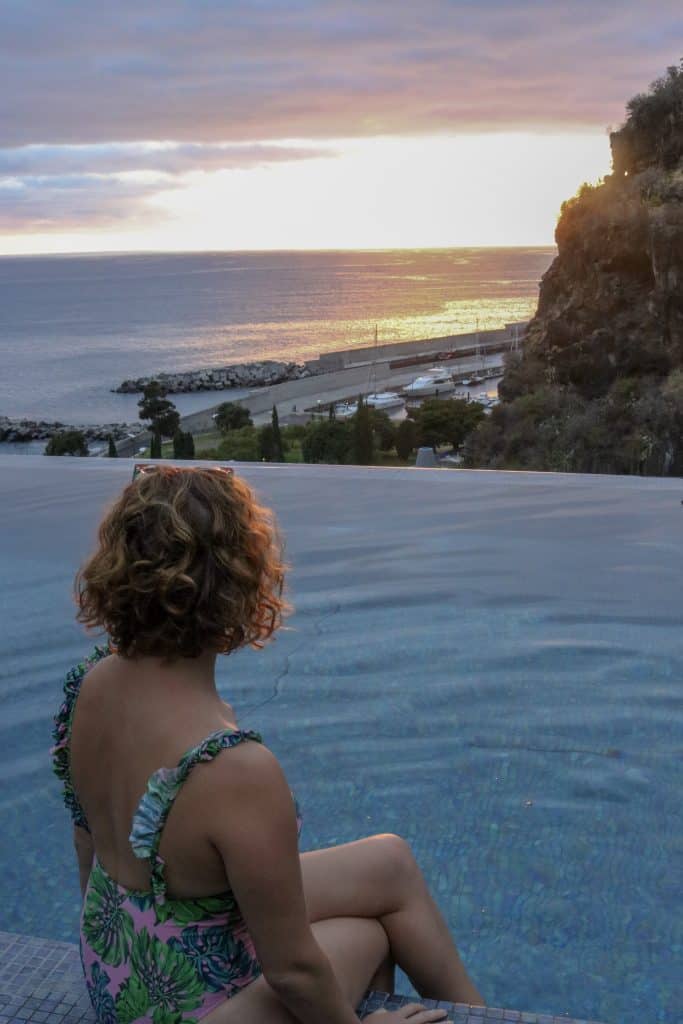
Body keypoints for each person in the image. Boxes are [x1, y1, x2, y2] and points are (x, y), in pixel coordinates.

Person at [52, 465, 484, 1024]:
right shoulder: (231, 766)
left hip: (115, 968)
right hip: (188, 1012)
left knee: (391, 863)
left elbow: (88, 850)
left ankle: (481, 1016)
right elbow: (292, 972)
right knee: (367, 933)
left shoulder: (89, 684)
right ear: (241, 584)